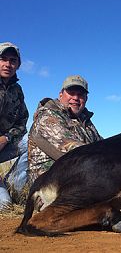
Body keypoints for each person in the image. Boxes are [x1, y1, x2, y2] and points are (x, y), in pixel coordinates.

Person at [28, 75, 102, 184]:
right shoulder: (48, 117)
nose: (76, 98)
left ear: (86, 99)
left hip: (79, 175)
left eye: (80, 94)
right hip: (48, 186)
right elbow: (74, 149)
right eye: (71, 93)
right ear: (61, 94)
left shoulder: (85, 121)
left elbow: (102, 144)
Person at [0, 42, 29, 210]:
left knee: (32, 142)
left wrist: (6, 138)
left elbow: (22, 120)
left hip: (4, 146)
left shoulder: (17, 90)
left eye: (12, 61)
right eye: (3, 59)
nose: (7, 64)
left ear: (17, 65)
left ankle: (14, 186)